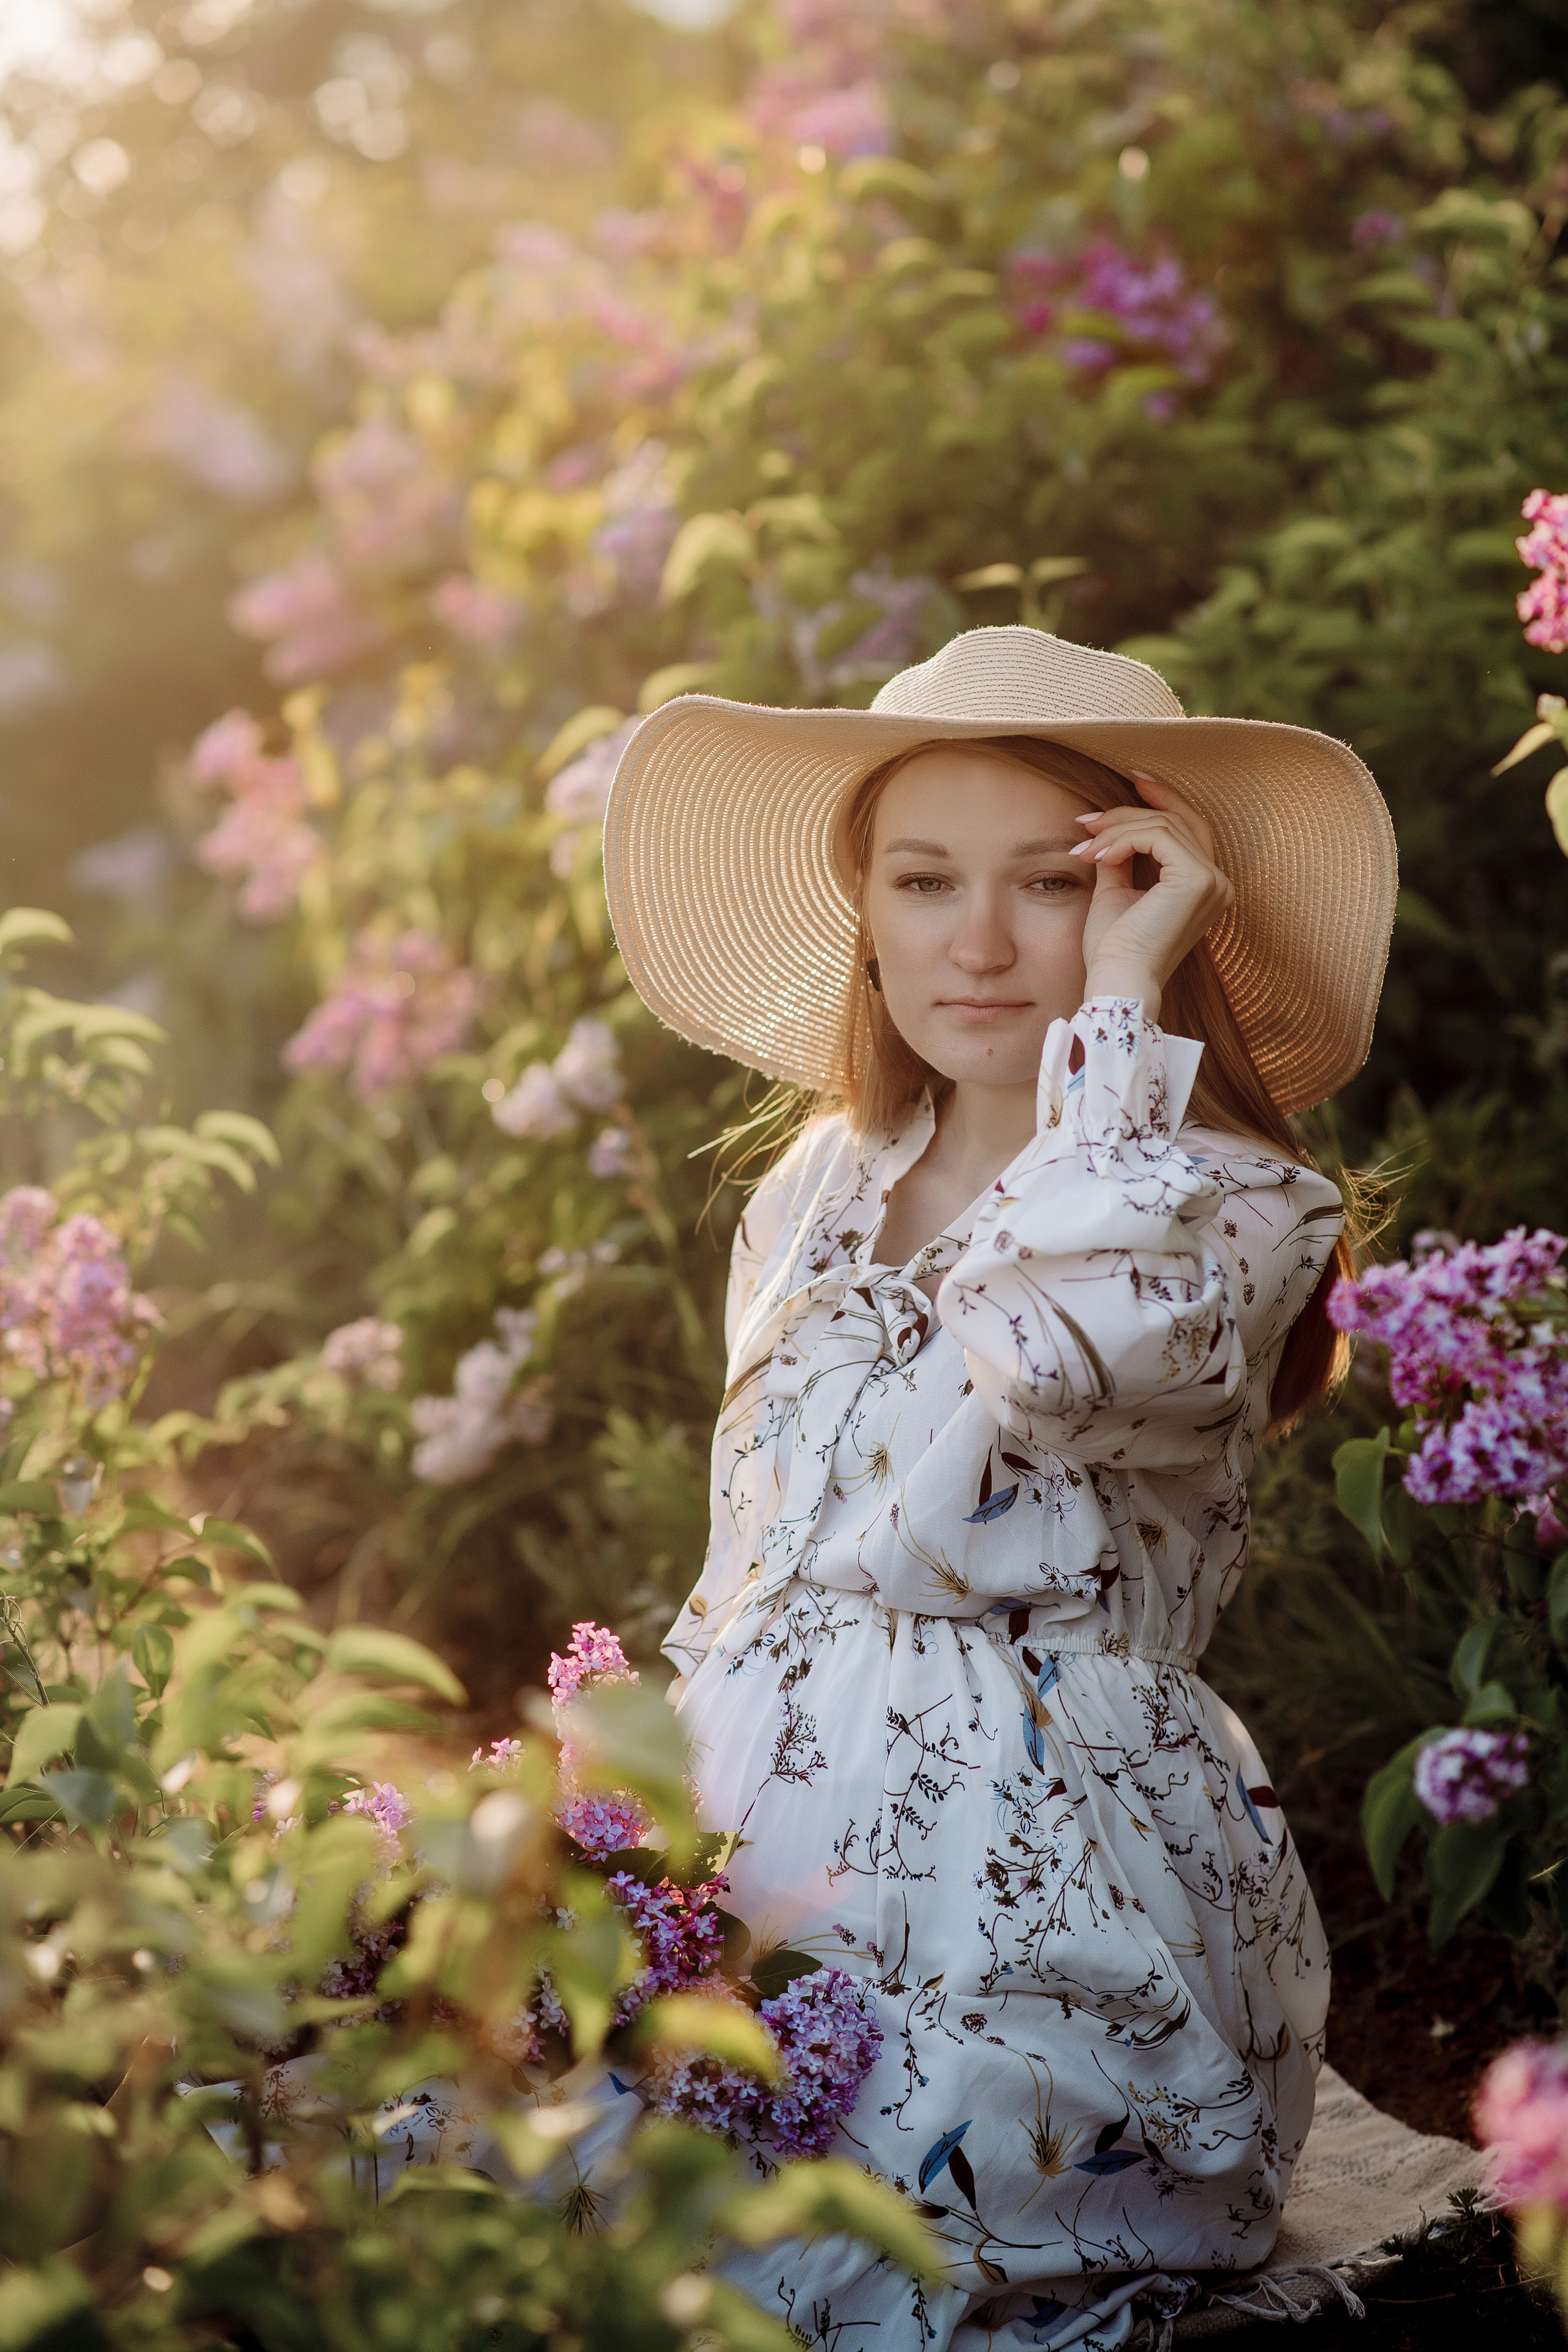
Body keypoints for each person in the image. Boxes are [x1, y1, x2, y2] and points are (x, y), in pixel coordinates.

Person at [602, 625, 1397, 2350]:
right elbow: (752, 1552)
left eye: (1056, 882)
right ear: (862, 913)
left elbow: (1061, 1350)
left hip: (1044, 1893)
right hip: (762, 1850)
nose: (977, 941)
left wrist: (1119, 1012)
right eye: (923, 879)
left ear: (1152, 902)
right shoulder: (820, 1179)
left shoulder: (1231, 1203)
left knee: (815, 2265)